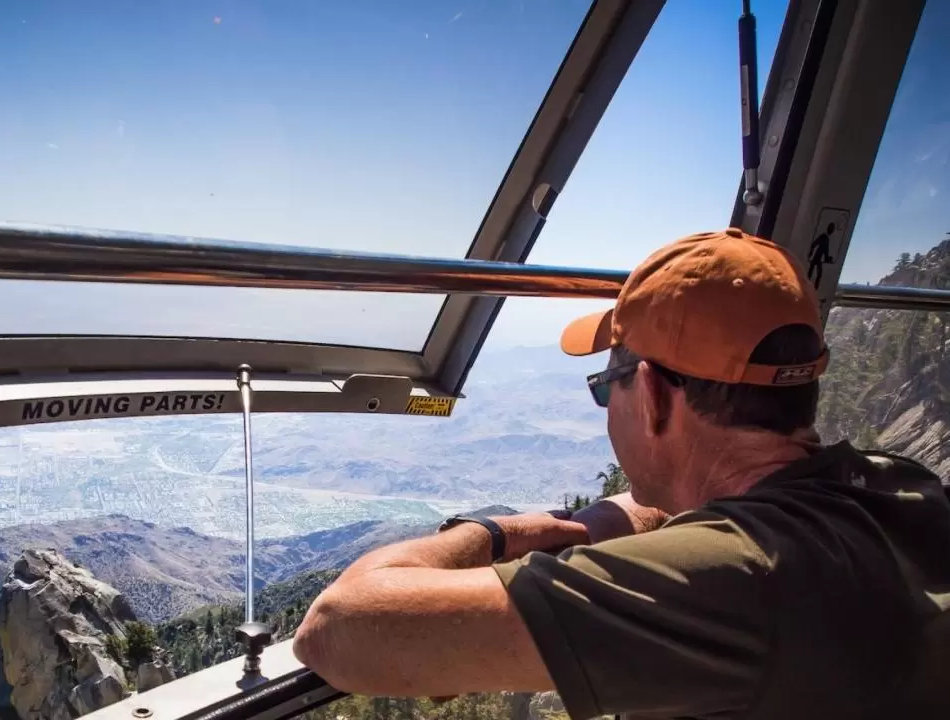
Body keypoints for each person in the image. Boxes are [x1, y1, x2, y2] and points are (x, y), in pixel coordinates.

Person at [292, 228, 950, 719]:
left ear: (657, 396)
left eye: (607, 387)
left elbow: (338, 629)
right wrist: (597, 524)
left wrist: (495, 534)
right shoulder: (898, 485)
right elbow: (673, 510)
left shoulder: (735, 577)